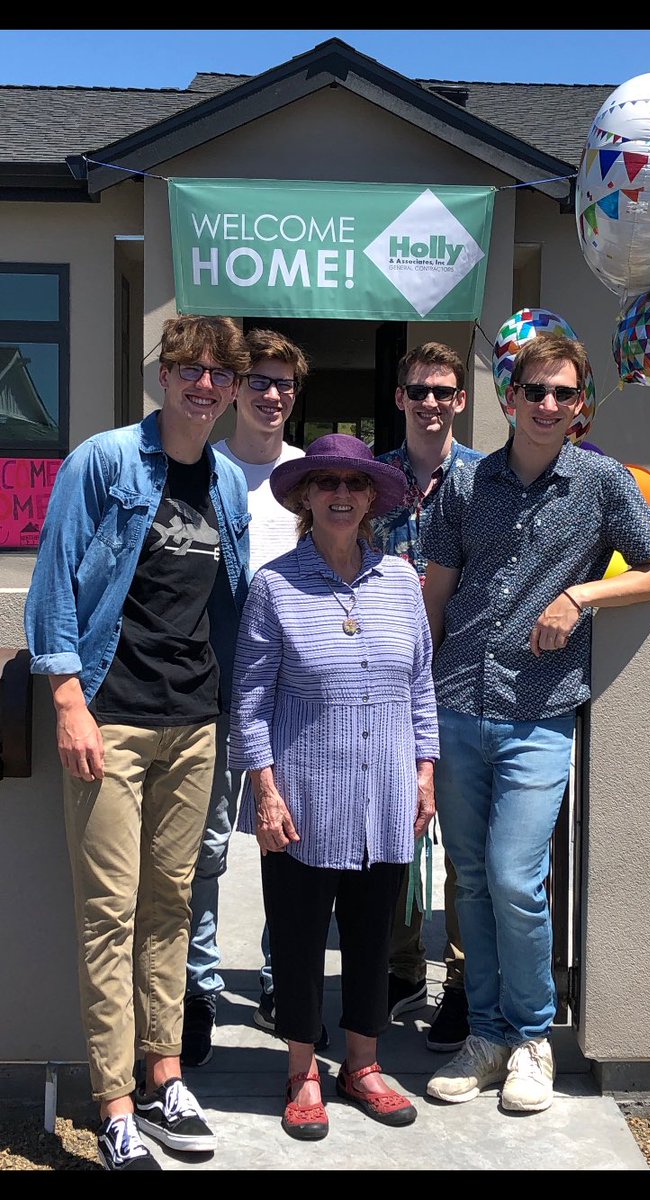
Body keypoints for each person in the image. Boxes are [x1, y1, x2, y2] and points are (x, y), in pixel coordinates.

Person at [422, 331, 650, 1114]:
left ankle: (530, 1036)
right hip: (458, 700)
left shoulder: (600, 482)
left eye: (564, 394)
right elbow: (435, 594)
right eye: (535, 391)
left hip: (539, 711)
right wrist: (413, 712)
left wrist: (581, 597)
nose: (548, 405)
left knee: (513, 878)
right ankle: (488, 1038)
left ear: (580, 405)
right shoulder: (464, 485)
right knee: (469, 883)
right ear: (509, 397)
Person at [24, 314, 251, 1170]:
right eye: (189, 369)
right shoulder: (106, 461)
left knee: (170, 908)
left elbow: (226, 606)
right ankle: (116, 1102)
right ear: (163, 375)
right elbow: (53, 585)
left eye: (219, 374)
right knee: (109, 915)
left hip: (194, 722)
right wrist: (69, 702)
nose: (204, 385)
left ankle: (165, 1079)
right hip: (111, 719)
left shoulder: (226, 482)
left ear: (232, 390)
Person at [229, 434, 439, 1140]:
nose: (340, 495)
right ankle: (300, 1070)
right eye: (326, 484)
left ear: (372, 498)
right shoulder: (274, 585)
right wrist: (264, 790)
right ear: (304, 498)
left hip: (385, 794)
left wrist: (424, 773)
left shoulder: (400, 583)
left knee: (373, 936)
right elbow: (250, 700)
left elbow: (420, 688)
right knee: (294, 938)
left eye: (353, 483)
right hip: (301, 798)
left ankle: (362, 1063)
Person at [181, 326, 326, 1067]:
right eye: (259, 382)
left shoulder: (312, 480)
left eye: (284, 385)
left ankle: (282, 980)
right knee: (205, 851)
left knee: (289, 847)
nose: (271, 395)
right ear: (236, 390)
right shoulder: (203, 472)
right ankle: (198, 989)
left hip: (292, 700)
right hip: (207, 691)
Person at [371, 340, 482, 1052]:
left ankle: (462, 981)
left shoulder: (485, 479)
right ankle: (402, 965)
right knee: (396, 836)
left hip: (465, 682)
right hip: (384, 687)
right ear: (400, 398)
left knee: (463, 844)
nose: (432, 403)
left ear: (461, 399)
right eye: (420, 391)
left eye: (444, 391)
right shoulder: (370, 479)